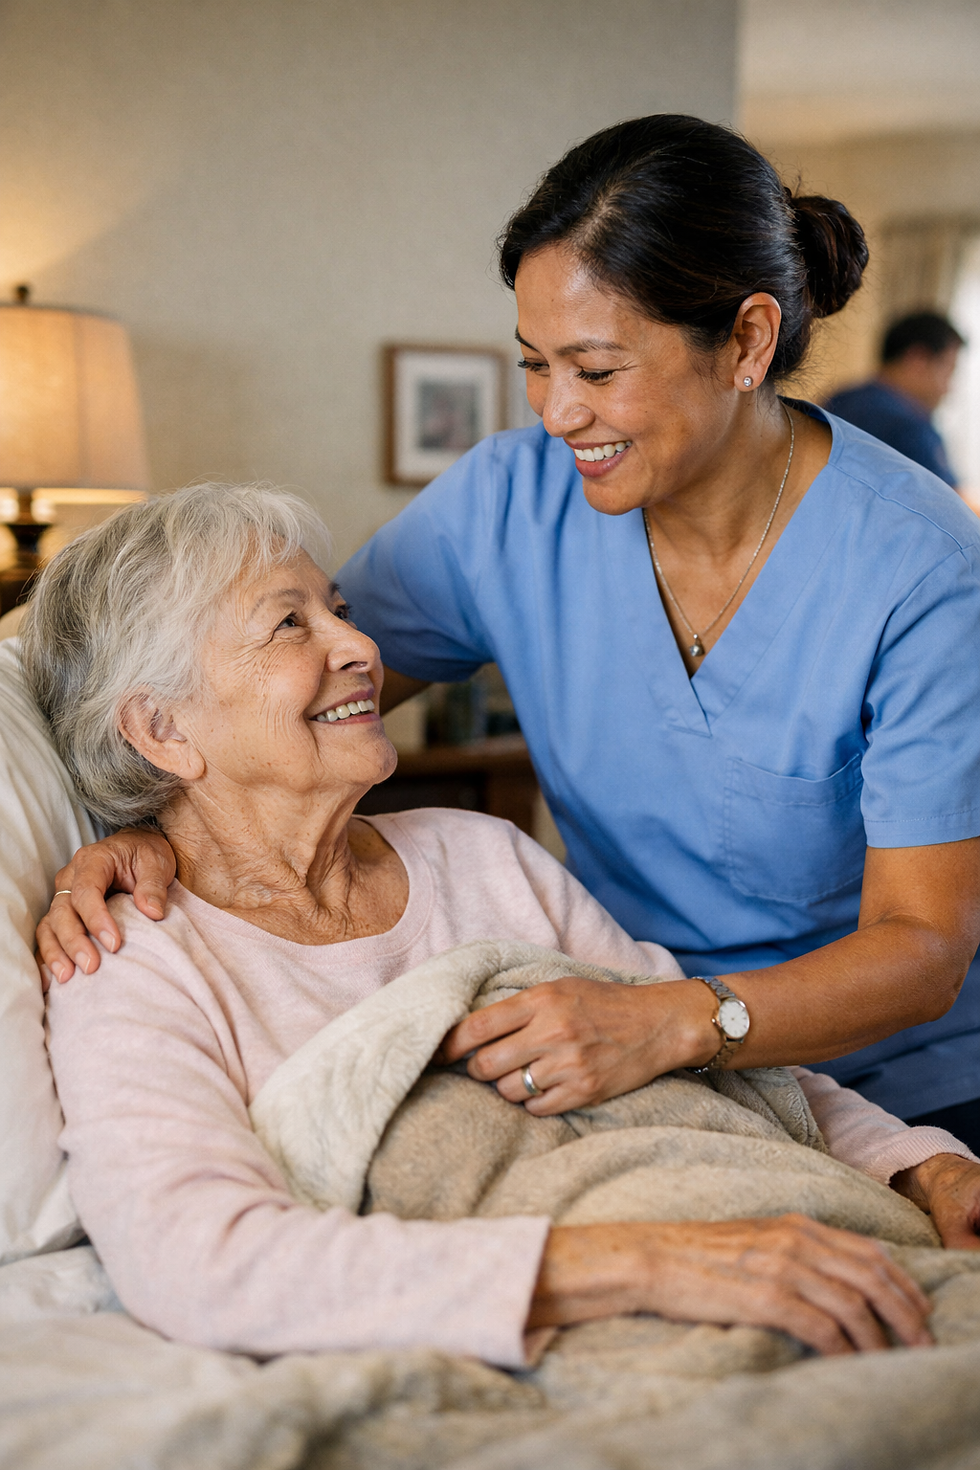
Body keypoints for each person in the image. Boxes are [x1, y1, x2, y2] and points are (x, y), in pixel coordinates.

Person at [39, 117, 980, 1150]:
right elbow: (263, 708)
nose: (556, 412)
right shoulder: (507, 505)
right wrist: (138, 829)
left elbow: (921, 947)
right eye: (535, 364)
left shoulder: (915, 567)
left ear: (747, 342)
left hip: (894, 1084)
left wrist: (676, 1021)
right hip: (632, 1062)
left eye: (595, 368)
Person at [20, 485, 980, 1364]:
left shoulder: (482, 856)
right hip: (612, 1320)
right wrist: (650, 1263)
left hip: (761, 1219)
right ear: (160, 732)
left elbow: (720, 1064)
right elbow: (201, 1261)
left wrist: (920, 1167)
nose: (359, 648)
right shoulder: (130, 957)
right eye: (286, 623)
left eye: (341, 612)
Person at [826, 312, 965, 487]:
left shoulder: (840, 399)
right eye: (948, 371)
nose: (948, 389)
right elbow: (951, 501)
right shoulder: (908, 426)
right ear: (918, 360)